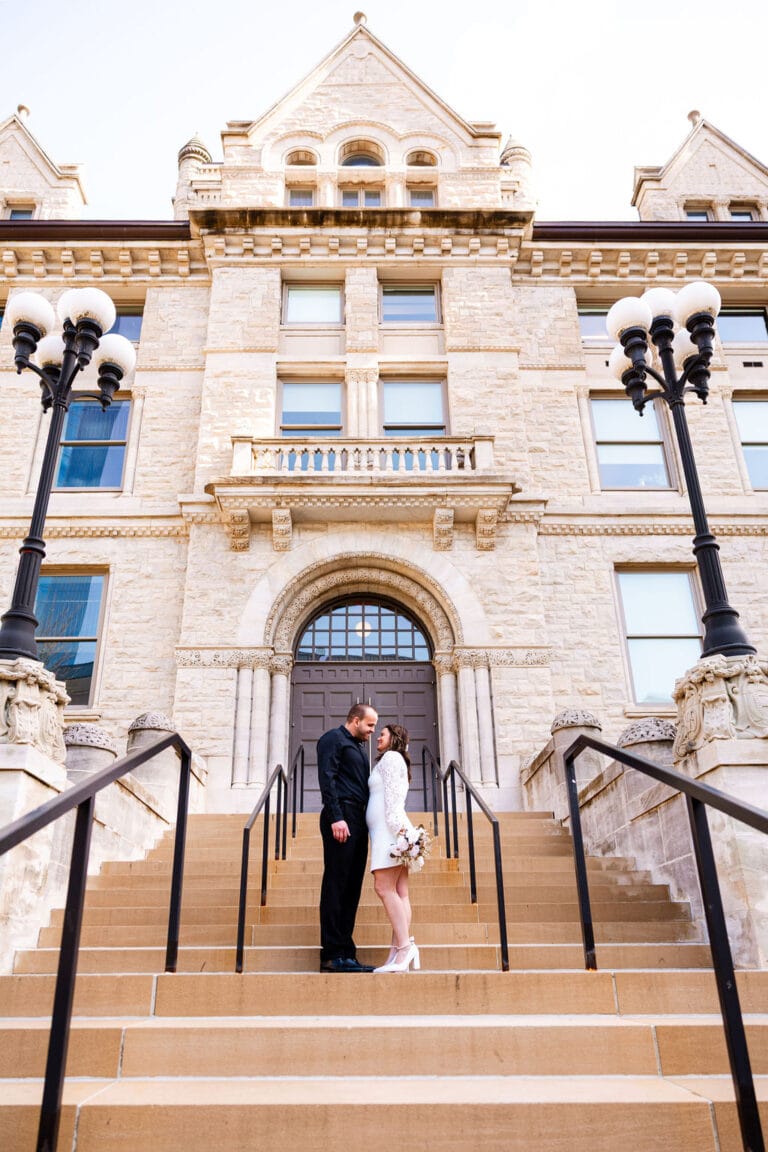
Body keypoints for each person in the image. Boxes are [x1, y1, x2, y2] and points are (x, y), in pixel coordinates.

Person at [317, 703, 378, 972]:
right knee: (337, 884)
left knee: (352, 887)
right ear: (355, 720)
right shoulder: (333, 739)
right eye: (370, 725)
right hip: (342, 816)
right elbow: (327, 778)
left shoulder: (358, 747)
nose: (372, 730)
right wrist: (336, 816)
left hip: (359, 819)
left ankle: (346, 953)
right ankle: (332, 955)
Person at [366, 723, 420, 973]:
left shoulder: (390, 758)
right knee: (400, 892)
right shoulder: (396, 760)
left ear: (394, 738)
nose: (378, 737)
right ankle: (398, 951)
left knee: (383, 887)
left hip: (390, 831)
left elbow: (393, 798)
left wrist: (400, 833)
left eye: (383, 734)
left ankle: (404, 949)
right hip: (390, 830)